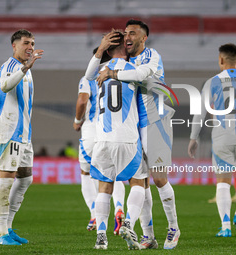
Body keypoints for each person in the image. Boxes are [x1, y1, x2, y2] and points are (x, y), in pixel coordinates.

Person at [86, 19, 179, 249]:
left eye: (133, 33)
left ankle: (174, 227)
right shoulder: (126, 61)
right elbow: (94, 75)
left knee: (158, 178)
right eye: (126, 33)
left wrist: (111, 72)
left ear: (144, 38)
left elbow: (142, 74)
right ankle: (148, 236)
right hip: (136, 126)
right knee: (142, 181)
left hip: (156, 121)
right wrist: (105, 59)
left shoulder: (151, 56)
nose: (128, 37)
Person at [188, 43, 236, 237]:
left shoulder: (213, 81)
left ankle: (225, 226)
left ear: (221, 60)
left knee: (223, 181)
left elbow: (200, 113)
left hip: (223, 134)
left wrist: (193, 137)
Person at [90, 32, 148, 250]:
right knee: (138, 182)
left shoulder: (99, 72)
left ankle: (101, 237)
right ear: (122, 47)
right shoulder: (132, 69)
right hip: (127, 138)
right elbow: (143, 106)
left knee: (104, 186)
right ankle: (129, 224)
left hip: (103, 139)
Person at [0, 29, 43, 245]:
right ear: (14, 46)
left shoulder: (26, 71)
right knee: (5, 182)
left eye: (32, 43)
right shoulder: (11, 66)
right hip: (8, 131)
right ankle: (1, 233)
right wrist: (25, 67)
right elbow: (4, 85)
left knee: (25, 178)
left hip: (23, 134)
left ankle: (7, 227)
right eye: (26, 43)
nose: (30, 47)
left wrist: (26, 69)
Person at [73, 48, 125, 234]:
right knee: (114, 173)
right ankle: (119, 208)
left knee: (86, 173)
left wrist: (78, 121)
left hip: (90, 130)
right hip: (111, 131)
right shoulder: (121, 73)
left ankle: (95, 215)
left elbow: (82, 101)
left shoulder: (89, 77)